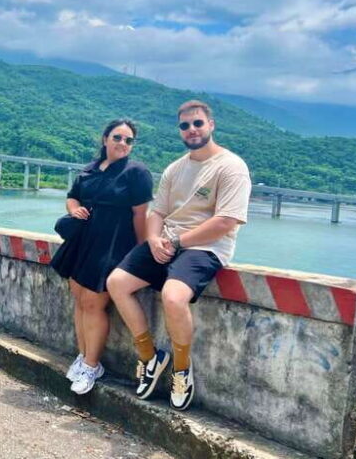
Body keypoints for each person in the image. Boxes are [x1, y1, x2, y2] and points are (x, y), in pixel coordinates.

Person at [107, 100, 251, 411]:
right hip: (168, 242)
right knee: (116, 283)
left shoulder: (231, 167)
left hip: (206, 248)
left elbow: (225, 222)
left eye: (198, 123)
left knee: (173, 297)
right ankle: (150, 357)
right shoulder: (176, 167)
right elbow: (157, 211)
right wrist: (155, 238)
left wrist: (176, 241)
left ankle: (181, 369)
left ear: (211, 125)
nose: (192, 130)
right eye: (185, 125)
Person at [50, 118, 153, 395]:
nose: (122, 143)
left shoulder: (136, 173)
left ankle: (92, 364)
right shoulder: (90, 169)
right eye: (117, 137)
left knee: (94, 303)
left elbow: (140, 215)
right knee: (81, 300)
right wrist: (74, 210)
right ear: (105, 138)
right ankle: (83, 357)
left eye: (128, 140)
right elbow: (72, 197)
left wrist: (141, 251)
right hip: (84, 240)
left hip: (114, 243)